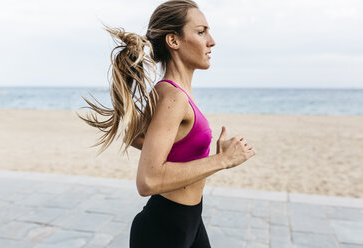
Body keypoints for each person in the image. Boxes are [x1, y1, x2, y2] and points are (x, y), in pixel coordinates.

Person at [79, 0, 255, 247]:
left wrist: (192, 154)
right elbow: (147, 180)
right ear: (173, 41)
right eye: (201, 31)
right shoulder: (172, 96)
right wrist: (221, 160)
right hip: (164, 230)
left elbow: (136, 137)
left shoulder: (173, 92)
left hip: (189, 221)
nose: (211, 41)